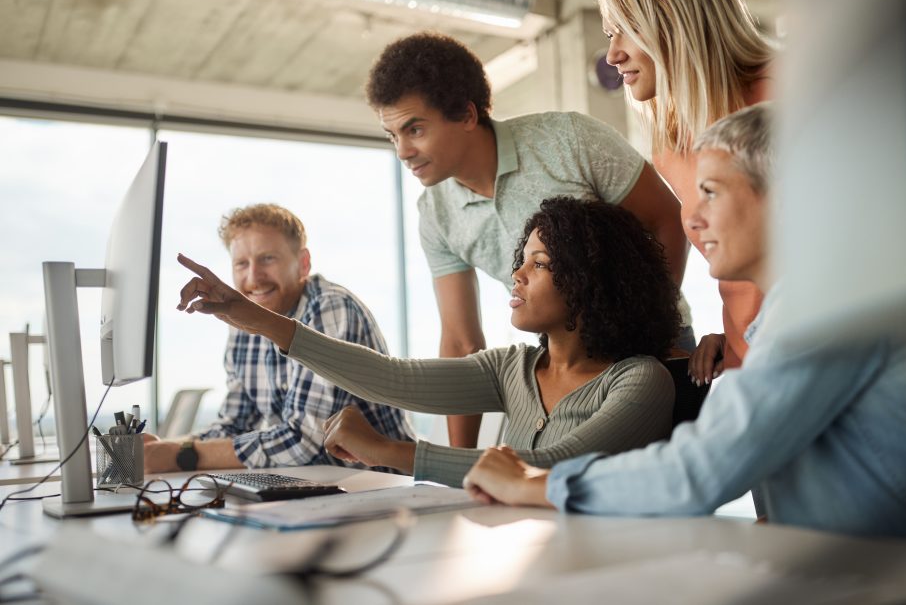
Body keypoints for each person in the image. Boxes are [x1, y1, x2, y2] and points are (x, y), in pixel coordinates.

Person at [462, 104, 906, 555]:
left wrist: (534, 484)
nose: (692, 218)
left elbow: (704, 469)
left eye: (711, 192)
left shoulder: (830, 307)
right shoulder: (795, 310)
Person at [175, 197, 681, 488]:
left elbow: (548, 468)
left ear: (591, 281)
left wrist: (391, 451)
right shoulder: (513, 369)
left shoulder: (641, 380)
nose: (516, 275)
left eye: (540, 263)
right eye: (521, 258)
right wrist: (251, 316)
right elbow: (395, 378)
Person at [366, 32, 691, 448]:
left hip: (654, 348)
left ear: (466, 115)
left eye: (414, 129)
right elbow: (462, 340)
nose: (403, 151)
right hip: (561, 365)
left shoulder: (568, 139)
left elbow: (667, 220)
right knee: (555, 499)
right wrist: (458, 469)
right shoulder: (435, 212)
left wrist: (650, 334)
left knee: (650, 502)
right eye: (392, 135)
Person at [596, 0, 775, 383]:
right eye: (608, 34)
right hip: (746, 371)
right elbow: (740, 274)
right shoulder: (671, 144)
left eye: (625, 29)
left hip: (814, 364)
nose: (613, 54)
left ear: (673, 21)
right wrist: (731, 336)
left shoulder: (787, 92)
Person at [143, 204, 413, 473]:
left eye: (267, 259)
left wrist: (181, 455)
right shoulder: (242, 320)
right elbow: (235, 424)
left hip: (382, 486)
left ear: (303, 263)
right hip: (317, 485)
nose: (254, 277)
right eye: (241, 264)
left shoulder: (330, 307)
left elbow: (303, 443)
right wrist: (163, 448)